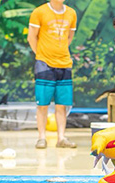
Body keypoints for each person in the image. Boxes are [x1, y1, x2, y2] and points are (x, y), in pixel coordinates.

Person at [27, 0, 77, 149]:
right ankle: (42, 138)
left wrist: (59, 53)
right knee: (42, 104)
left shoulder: (71, 13)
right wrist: (42, 55)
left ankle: (61, 138)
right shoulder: (39, 12)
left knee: (62, 104)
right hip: (44, 64)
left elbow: (69, 37)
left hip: (64, 64)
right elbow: (31, 37)